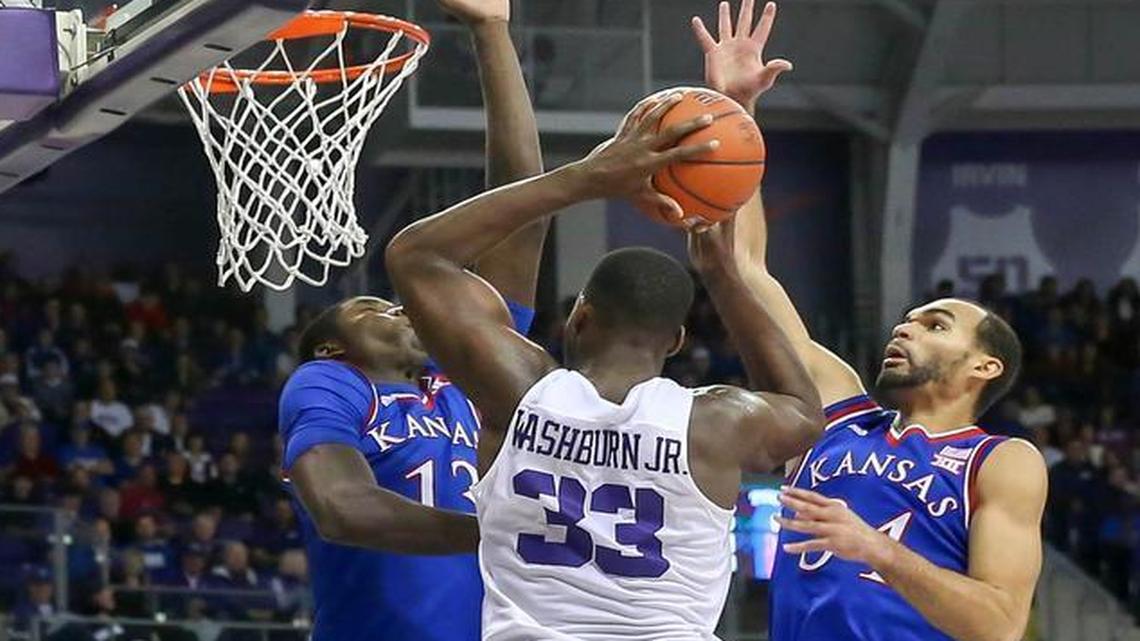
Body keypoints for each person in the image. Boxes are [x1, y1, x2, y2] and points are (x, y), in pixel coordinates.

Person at [386, 90, 824, 637]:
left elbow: (417, 255)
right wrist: (723, 276)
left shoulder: (518, 392)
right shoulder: (715, 423)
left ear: (579, 318)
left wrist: (588, 178)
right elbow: (806, 413)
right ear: (676, 341)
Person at [685, 3, 1048, 640]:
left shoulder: (999, 461)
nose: (905, 329)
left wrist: (876, 549)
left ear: (985, 366)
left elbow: (1001, 624)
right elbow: (746, 271)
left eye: (935, 325)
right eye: (907, 320)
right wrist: (735, 110)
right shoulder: (836, 411)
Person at [277, 2, 547, 640]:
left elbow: (523, 210)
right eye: (373, 307)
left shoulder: (471, 375)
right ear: (330, 349)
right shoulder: (331, 387)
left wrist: (492, 31)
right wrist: (495, 535)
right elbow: (344, 510)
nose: (400, 308)